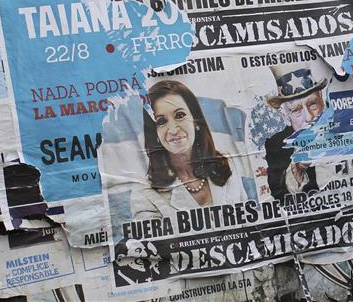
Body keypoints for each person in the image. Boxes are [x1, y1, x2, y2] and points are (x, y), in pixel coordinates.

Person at [131, 80, 246, 219]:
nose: (173, 130)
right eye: (161, 121)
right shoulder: (143, 192)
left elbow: (247, 220)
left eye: (180, 115)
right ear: (154, 132)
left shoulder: (225, 164)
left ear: (196, 121)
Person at [264, 63, 326, 202]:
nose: (309, 117)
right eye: (296, 110)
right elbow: (279, 195)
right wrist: (297, 171)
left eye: (313, 104)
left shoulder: (345, 127)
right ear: (285, 115)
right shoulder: (276, 146)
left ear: (322, 99)